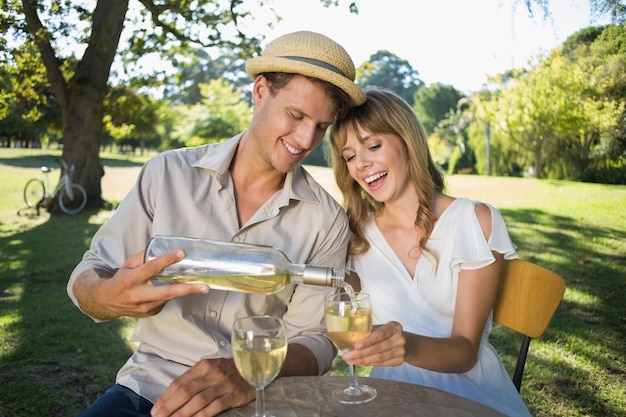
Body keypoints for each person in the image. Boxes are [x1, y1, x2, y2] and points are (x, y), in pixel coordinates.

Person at [67, 31, 365, 417]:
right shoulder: (168, 173)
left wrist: (247, 371)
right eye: (296, 115)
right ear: (260, 91)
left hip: (256, 397)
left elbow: (318, 341)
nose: (306, 139)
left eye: (322, 126)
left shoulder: (325, 220)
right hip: (151, 388)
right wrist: (108, 296)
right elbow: (91, 271)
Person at [327, 88, 532, 417]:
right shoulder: (356, 239)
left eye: (373, 145)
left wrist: (405, 344)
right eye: (349, 156)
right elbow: (330, 307)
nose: (361, 164)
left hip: (471, 395)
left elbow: (466, 351)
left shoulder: (473, 221)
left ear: (407, 140)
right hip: (390, 398)